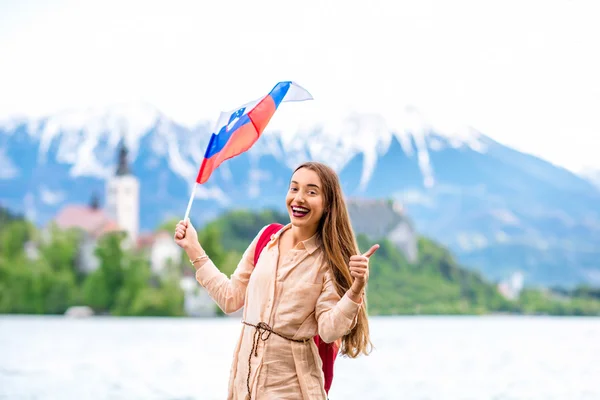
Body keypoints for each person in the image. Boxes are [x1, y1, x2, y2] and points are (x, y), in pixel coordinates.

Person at [174, 161, 378, 400]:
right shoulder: (266, 238)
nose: (298, 198)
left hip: (293, 389)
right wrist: (193, 248)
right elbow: (230, 298)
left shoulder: (328, 262)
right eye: (294, 188)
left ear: (328, 205)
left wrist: (355, 290)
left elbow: (328, 330)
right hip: (244, 386)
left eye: (311, 192)